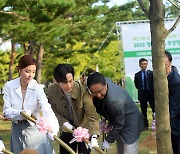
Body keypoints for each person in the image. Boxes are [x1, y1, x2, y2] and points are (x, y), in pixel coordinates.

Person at [3, 55, 59, 154]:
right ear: (19, 70)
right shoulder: (9, 86)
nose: (31, 75)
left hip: (34, 129)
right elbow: (7, 111)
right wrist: (21, 113)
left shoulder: (37, 88)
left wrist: (53, 128)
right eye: (27, 71)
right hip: (16, 130)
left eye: (33, 72)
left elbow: (46, 108)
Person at [87, 72, 145, 154]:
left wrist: (108, 140)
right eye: (94, 92)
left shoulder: (115, 101)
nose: (98, 95)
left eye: (100, 91)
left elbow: (119, 124)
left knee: (129, 152)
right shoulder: (103, 82)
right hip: (119, 120)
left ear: (105, 84)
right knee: (120, 151)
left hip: (131, 124)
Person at [47, 64, 99, 154]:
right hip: (66, 127)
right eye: (64, 82)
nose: (69, 85)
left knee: (84, 151)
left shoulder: (82, 91)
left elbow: (91, 115)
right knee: (65, 150)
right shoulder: (52, 90)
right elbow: (53, 110)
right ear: (57, 81)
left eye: (71, 81)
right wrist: (65, 123)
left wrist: (94, 136)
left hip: (83, 128)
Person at [164, 51, 180, 154]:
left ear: (170, 63)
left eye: (164, 65)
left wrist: (163, 121)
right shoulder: (154, 77)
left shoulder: (176, 81)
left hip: (176, 123)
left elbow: (174, 107)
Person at [134, 58, 155, 129]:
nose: (143, 65)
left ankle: (155, 124)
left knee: (154, 109)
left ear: (147, 64)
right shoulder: (137, 75)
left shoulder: (151, 73)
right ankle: (145, 125)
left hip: (151, 93)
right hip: (143, 94)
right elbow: (137, 85)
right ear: (139, 65)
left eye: (145, 64)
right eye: (142, 64)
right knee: (143, 110)